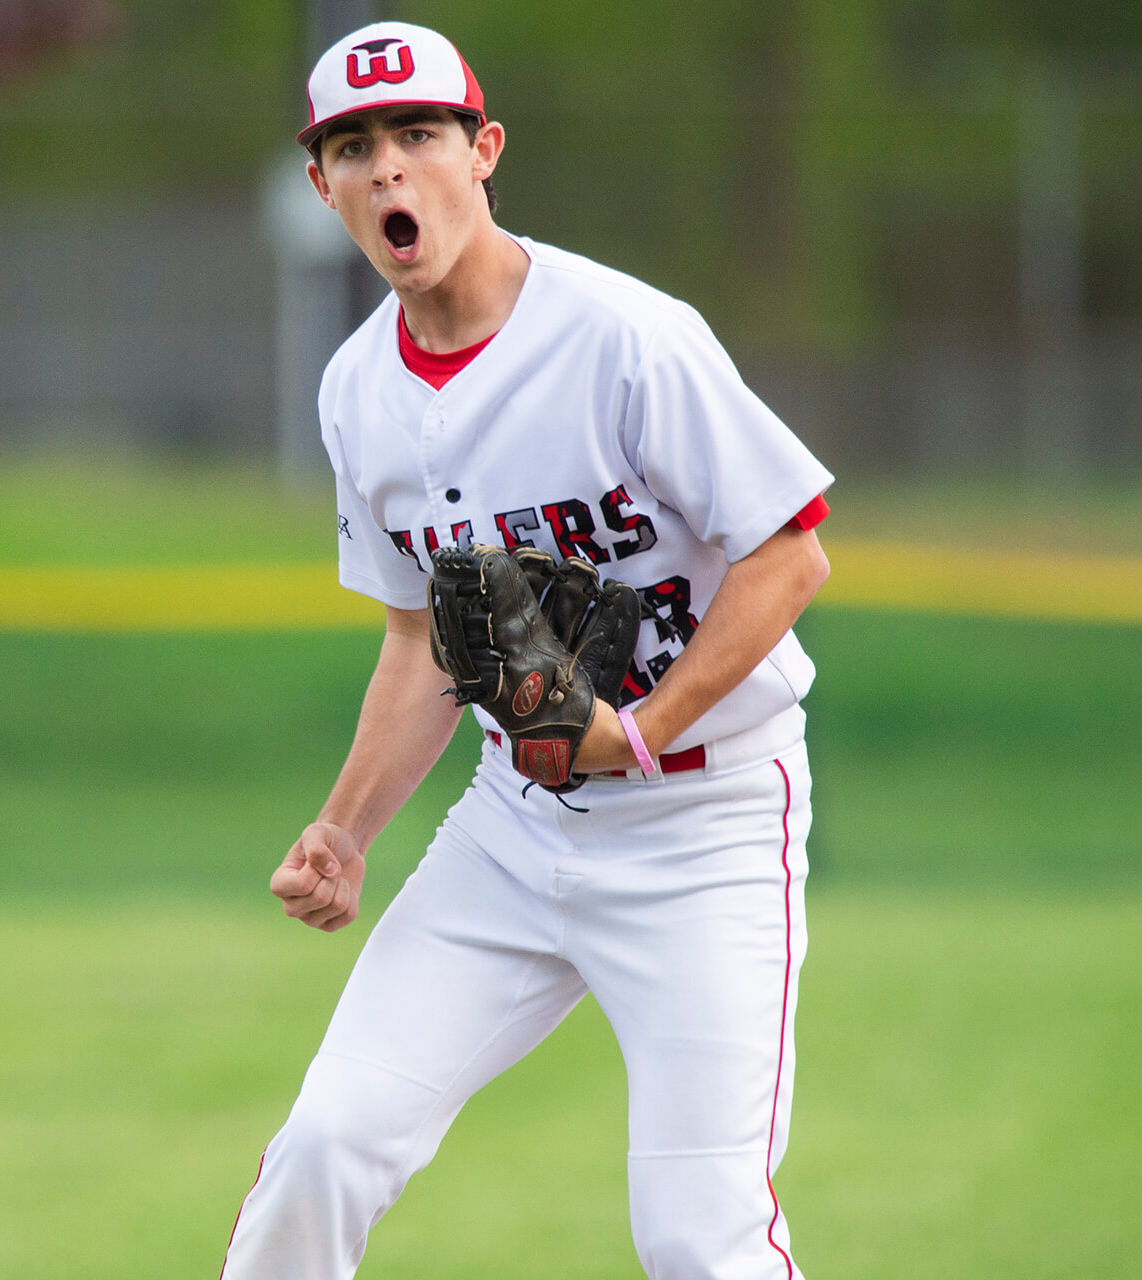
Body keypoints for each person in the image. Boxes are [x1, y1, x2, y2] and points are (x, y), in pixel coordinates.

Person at [219, 22, 834, 1280]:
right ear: (319, 185)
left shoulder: (623, 334)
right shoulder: (356, 394)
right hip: (517, 821)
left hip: (707, 823)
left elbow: (790, 554)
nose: (389, 169)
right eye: (354, 147)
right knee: (325, 1146)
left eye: (418, 135)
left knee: (697, 1235)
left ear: (483, 150)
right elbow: (422, 638)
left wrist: (644, 734)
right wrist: (345, 828)